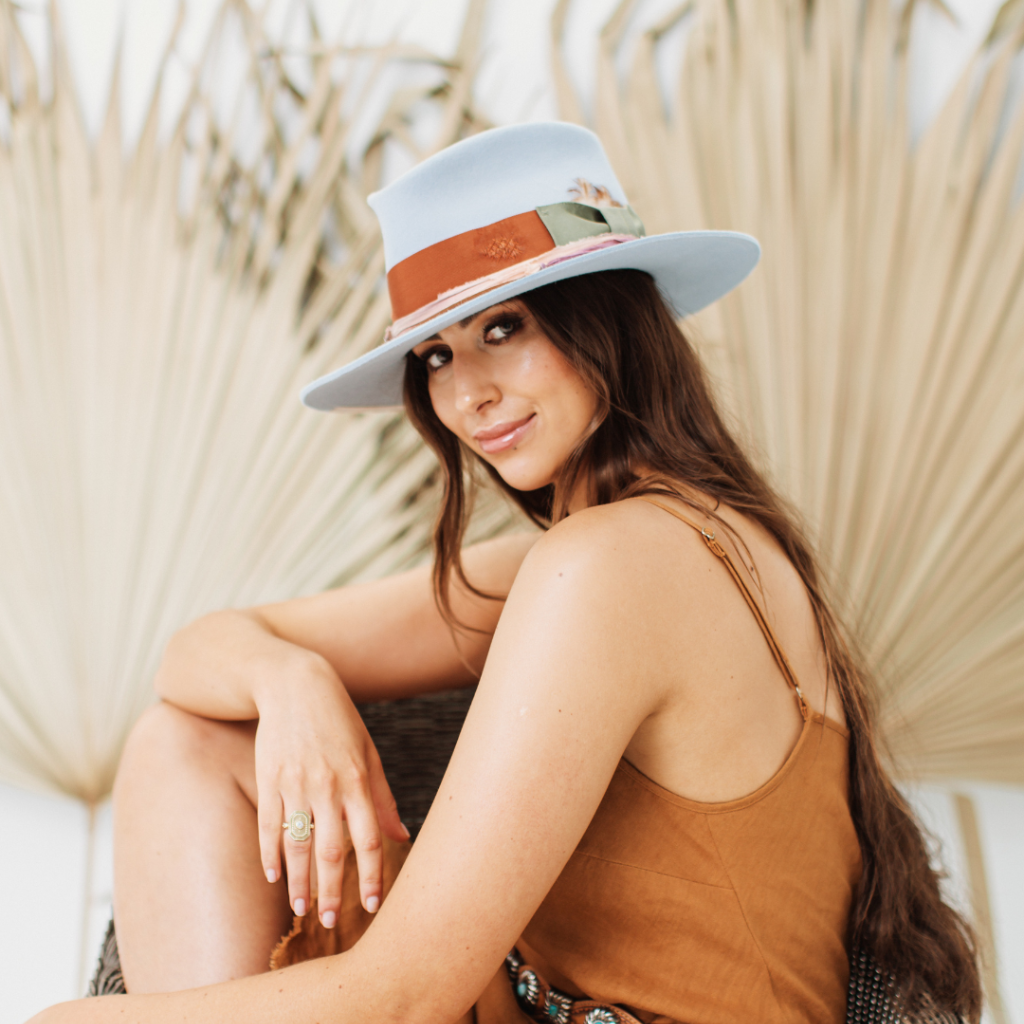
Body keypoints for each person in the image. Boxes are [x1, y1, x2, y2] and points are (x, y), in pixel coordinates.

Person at [35, 123, 980, 1024]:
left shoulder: (610, 567)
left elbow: (403, 995)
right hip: (512, 1000)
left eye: (507, 327)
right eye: (438, 353)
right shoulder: (643, 544)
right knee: (187, 745)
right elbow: (193, 659)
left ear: (608, 316)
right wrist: (293, 683)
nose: (466, 393)